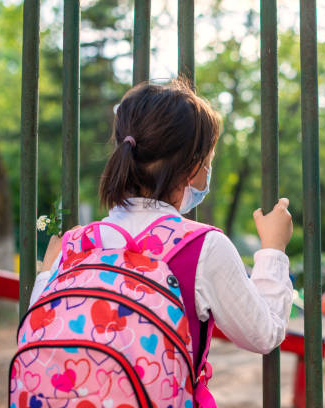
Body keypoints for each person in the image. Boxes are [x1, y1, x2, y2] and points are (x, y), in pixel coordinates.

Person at [28, 78, 293, 400]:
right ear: (195, 169)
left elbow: (39, 330)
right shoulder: (202, 246)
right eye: (209, 162)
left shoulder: (74, 244)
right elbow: (262, 334)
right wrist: (273, 250)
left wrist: (45, 275)